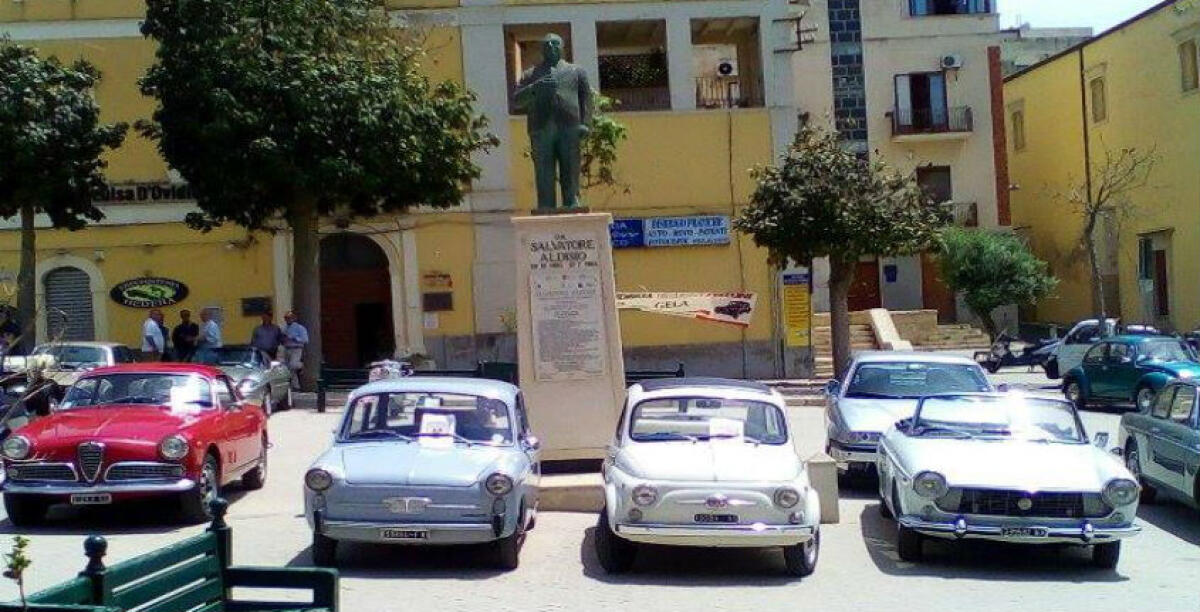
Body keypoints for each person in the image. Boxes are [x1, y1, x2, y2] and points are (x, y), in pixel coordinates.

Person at [282, 311, 309, 389]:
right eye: (286, 318)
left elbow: (305, 340)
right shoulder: (284, 328)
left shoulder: (300, 328)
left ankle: (302, 366)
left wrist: (295, 338)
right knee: (289, 369)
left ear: (294, 318)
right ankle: (296, 386)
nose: (288, 319)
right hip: (286, 348)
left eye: (290, 318)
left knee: (293, 365)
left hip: (296, 348)